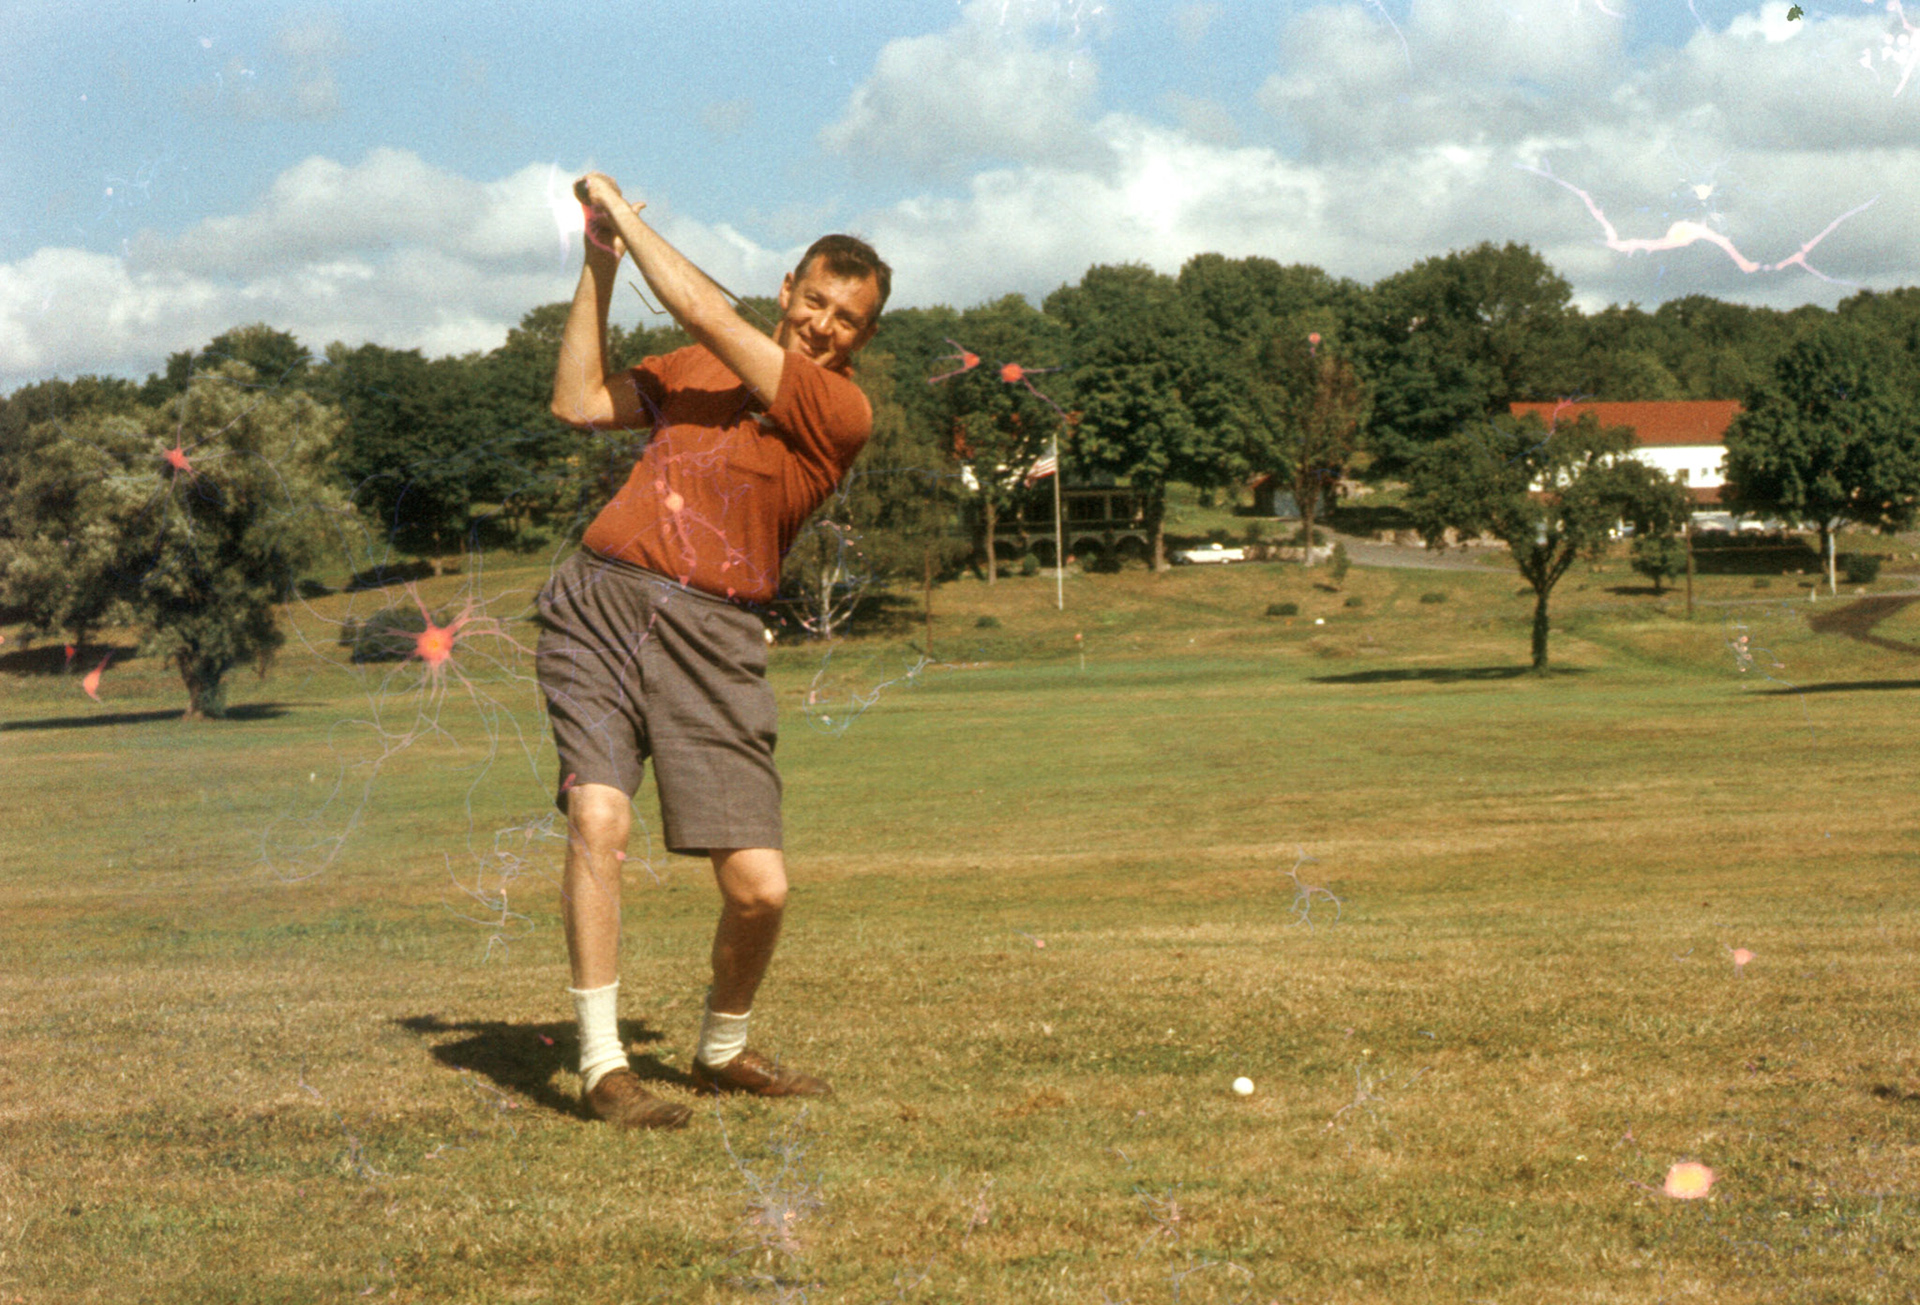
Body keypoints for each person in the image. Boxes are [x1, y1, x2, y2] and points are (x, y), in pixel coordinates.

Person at [538, 171, 889, 1129]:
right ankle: (606, 1065)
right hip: (600, 606)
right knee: (598, 821)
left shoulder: (834, 411)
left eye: (847, 319)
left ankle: (724, 1049)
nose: (824, 324)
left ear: (861, 338)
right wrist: (599, 264)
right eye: (815, 301)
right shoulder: (693, 372)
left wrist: (614, 203)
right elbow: (575, 401)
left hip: (715, 633)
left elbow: (698, 303)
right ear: (787, 289)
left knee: (759, 889)